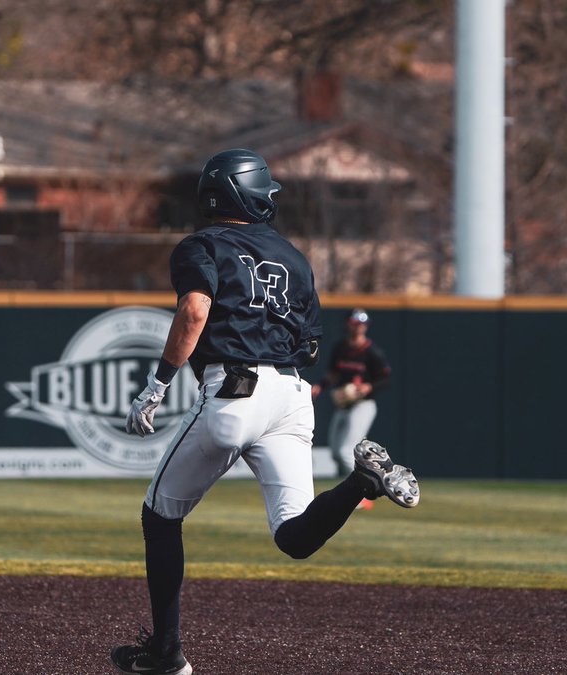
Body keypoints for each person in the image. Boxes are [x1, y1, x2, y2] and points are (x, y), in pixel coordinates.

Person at [110, 148, 420, 675]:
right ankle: (361, 484)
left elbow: (195, 309)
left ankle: (165, 652)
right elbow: (312, 342)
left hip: (235, 389)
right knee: (294, 536)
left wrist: (157, 384)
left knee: (159, 515)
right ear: (250, 194)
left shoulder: (202, 244)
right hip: (294, 396)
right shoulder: (295, 257)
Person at [312, 308, 392, 509]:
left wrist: (369, 386)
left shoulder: (372, 352)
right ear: (348, 324)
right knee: (336, 452)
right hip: (344, 404)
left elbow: (385, 378)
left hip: (363, 405)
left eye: (362, 324)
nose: (358, 327)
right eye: (355, 323)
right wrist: (320, 386)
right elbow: (333, 374)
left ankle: (361, 494)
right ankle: (357, 490)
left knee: (347, 450)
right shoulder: (341, 348)